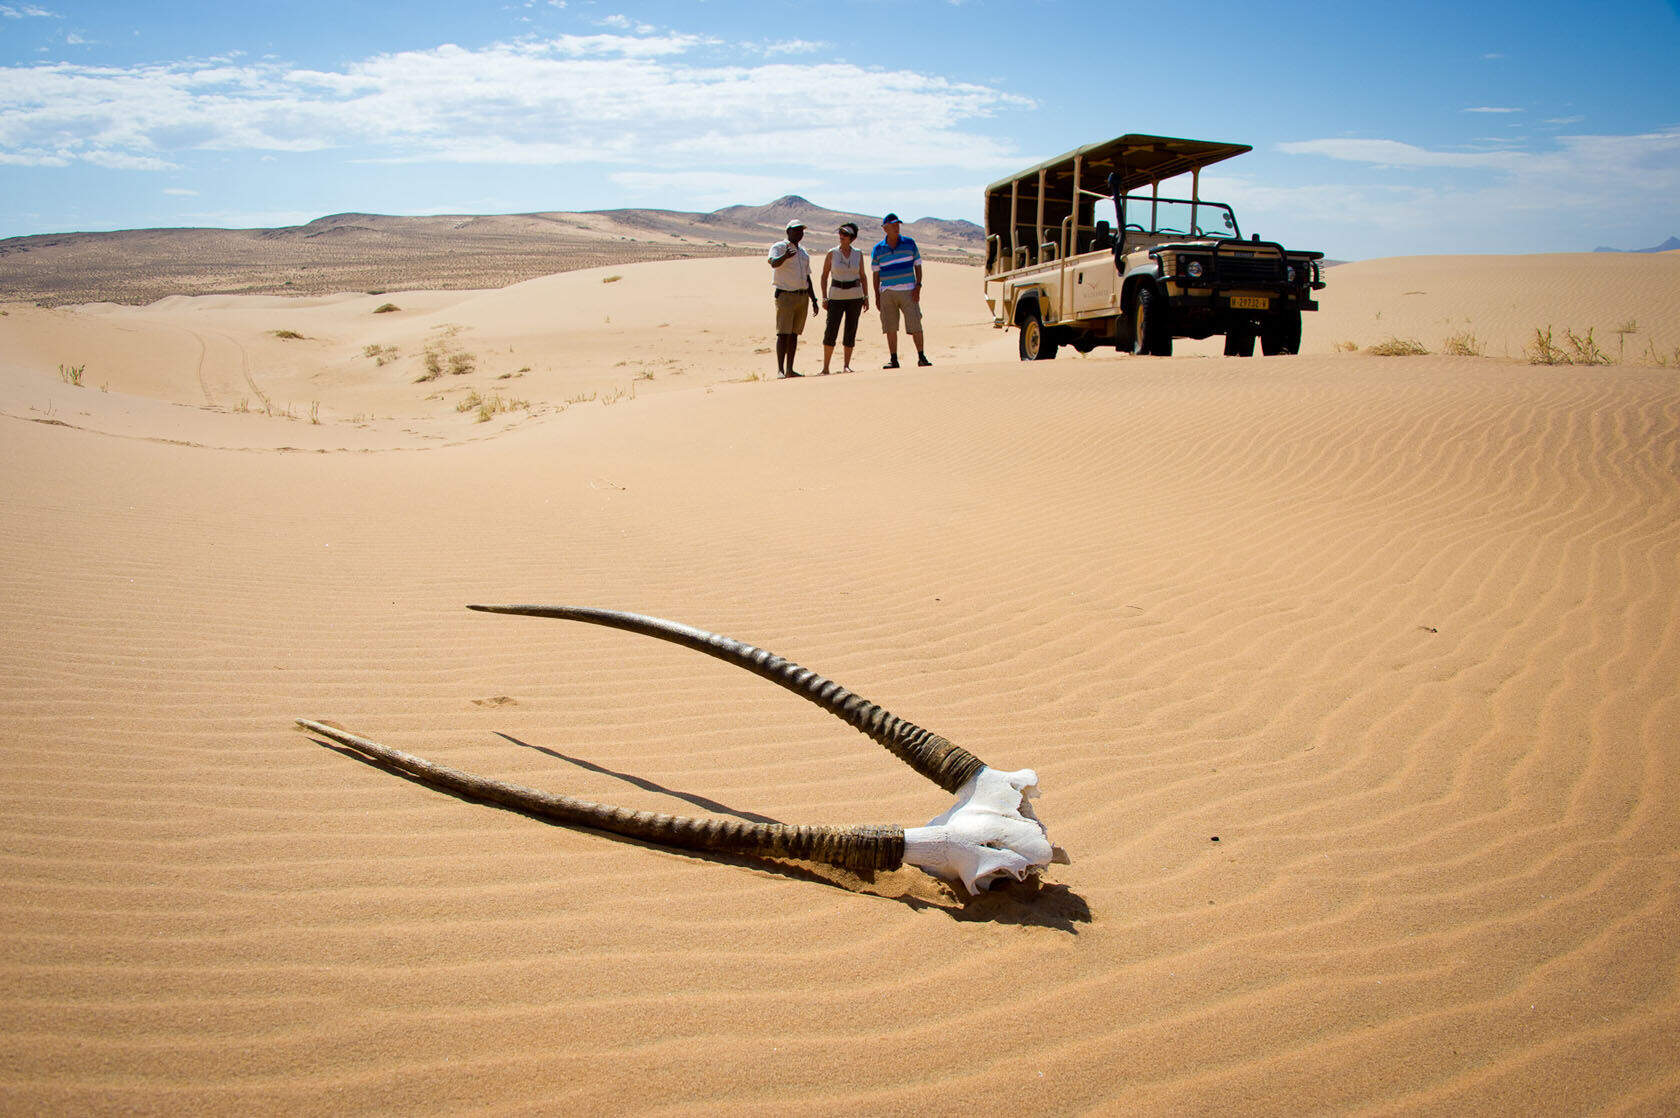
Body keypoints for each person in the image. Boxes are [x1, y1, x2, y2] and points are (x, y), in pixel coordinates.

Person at [870, 212, 930, 368]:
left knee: (915, 323)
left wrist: (918, 286)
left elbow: (918, 265)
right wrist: (877, 295)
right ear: (885, 229)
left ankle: (921, 356)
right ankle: (894, 359)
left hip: (909, 290)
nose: (896, 228)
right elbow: (875, 274)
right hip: (887, 292)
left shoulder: (909, 244)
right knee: (890, 326)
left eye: (898, 225)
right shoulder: (878, 249)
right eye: (893, 225)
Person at [767, 219, 820, 378]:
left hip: (801, 296)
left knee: (794, 334)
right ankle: (780, 370)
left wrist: (814, 299)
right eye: (796, 230)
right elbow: (773, 263)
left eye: (801, 231)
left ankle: (790, 369)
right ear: (788, 231)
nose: (799, 233)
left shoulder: (803, 253)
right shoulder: (779, 247)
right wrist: (784, 256)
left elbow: (807, 277)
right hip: (785, 295)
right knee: (783, 333)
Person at [819, 222, 869, 374]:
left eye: (845, 234)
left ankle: (846, 365)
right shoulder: (832, 253)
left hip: (855, 296)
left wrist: (866, 296)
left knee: (851, 329)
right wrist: (824, 297)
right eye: (840, 233)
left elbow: (863, 276)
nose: (841, 236)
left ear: (852, 238)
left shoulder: (858, 253)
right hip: (836, 296)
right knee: (831, 330)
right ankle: (826, 367)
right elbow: (824, 276)